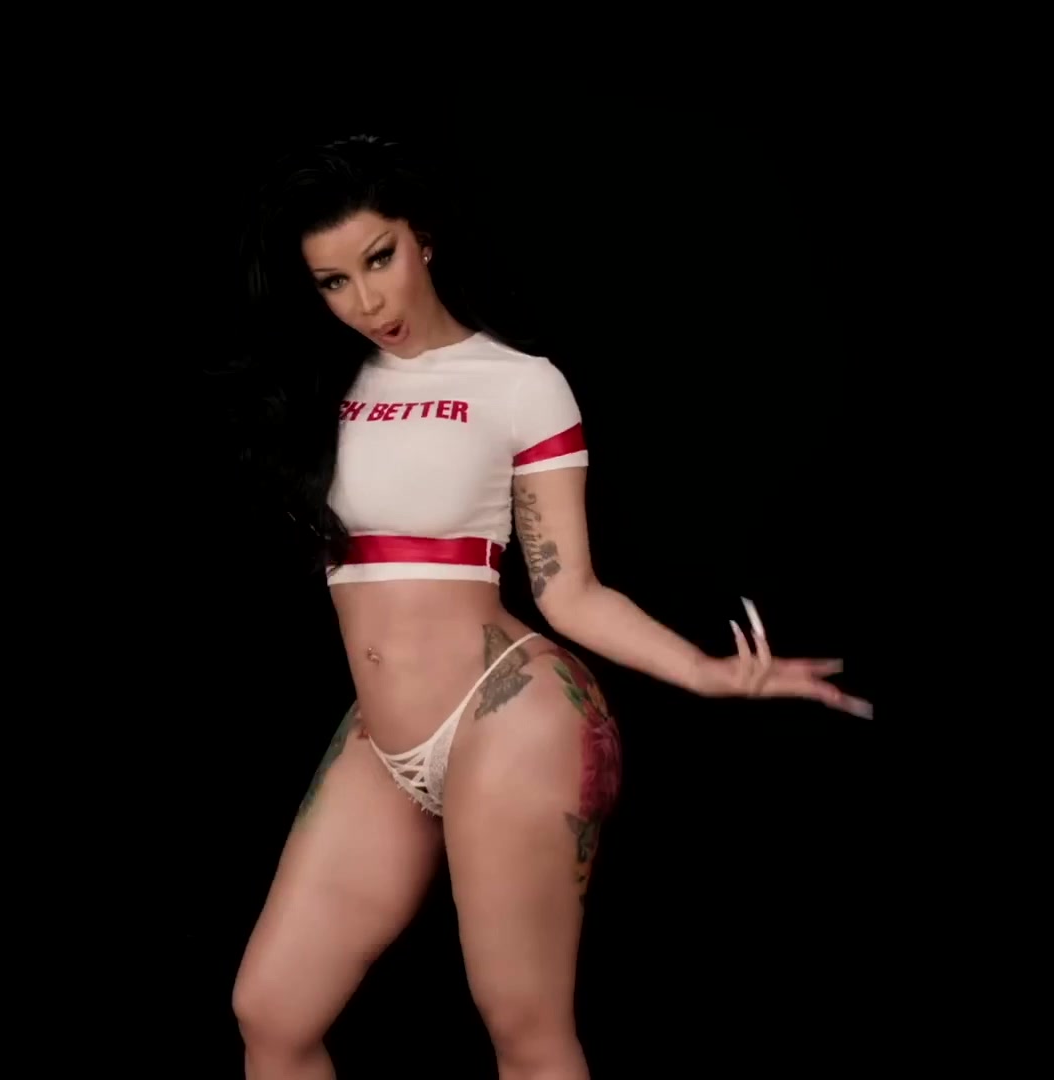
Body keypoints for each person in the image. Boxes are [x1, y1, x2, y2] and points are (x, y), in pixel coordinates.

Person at [226, 134, 871, 1080]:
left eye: (380, 258)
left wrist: (706, 672)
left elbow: (569, 587)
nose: (366, 301)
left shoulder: (520, 384)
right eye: (334, 282)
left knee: (524, 1030)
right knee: (271, 1014)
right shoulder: (332, 387)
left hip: (508, 715)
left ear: (422, 239)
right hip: (383, 735)